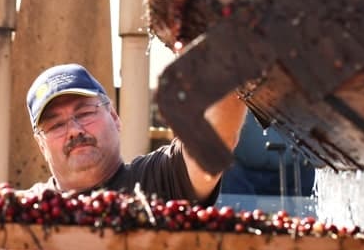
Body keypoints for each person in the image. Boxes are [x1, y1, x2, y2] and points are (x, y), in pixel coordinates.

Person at [22, 63, 247, 204]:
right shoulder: (22, 212)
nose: (74, 130)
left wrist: (230, 54)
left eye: (84, 113)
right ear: (41, 145)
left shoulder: (160, 180)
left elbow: (214, 140)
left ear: (114, 116)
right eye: (56, 126)